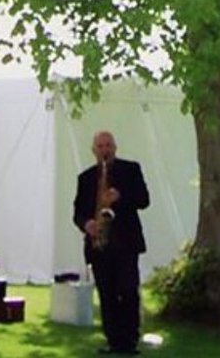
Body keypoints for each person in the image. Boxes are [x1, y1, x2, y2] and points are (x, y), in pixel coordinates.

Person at [73, 129, 150, 355]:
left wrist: (121, 196)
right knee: (106, 294)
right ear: (93, 150)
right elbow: (77, 212)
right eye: (100, 146)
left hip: (126, 242)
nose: (104, 150)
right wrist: (87, 224)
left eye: (108, 145)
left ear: (115, 148)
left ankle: (130, 341)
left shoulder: (131, 170)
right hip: (100, 243)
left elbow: (144, 200)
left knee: (128, 291)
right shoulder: (86, 178)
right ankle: (113, 341)